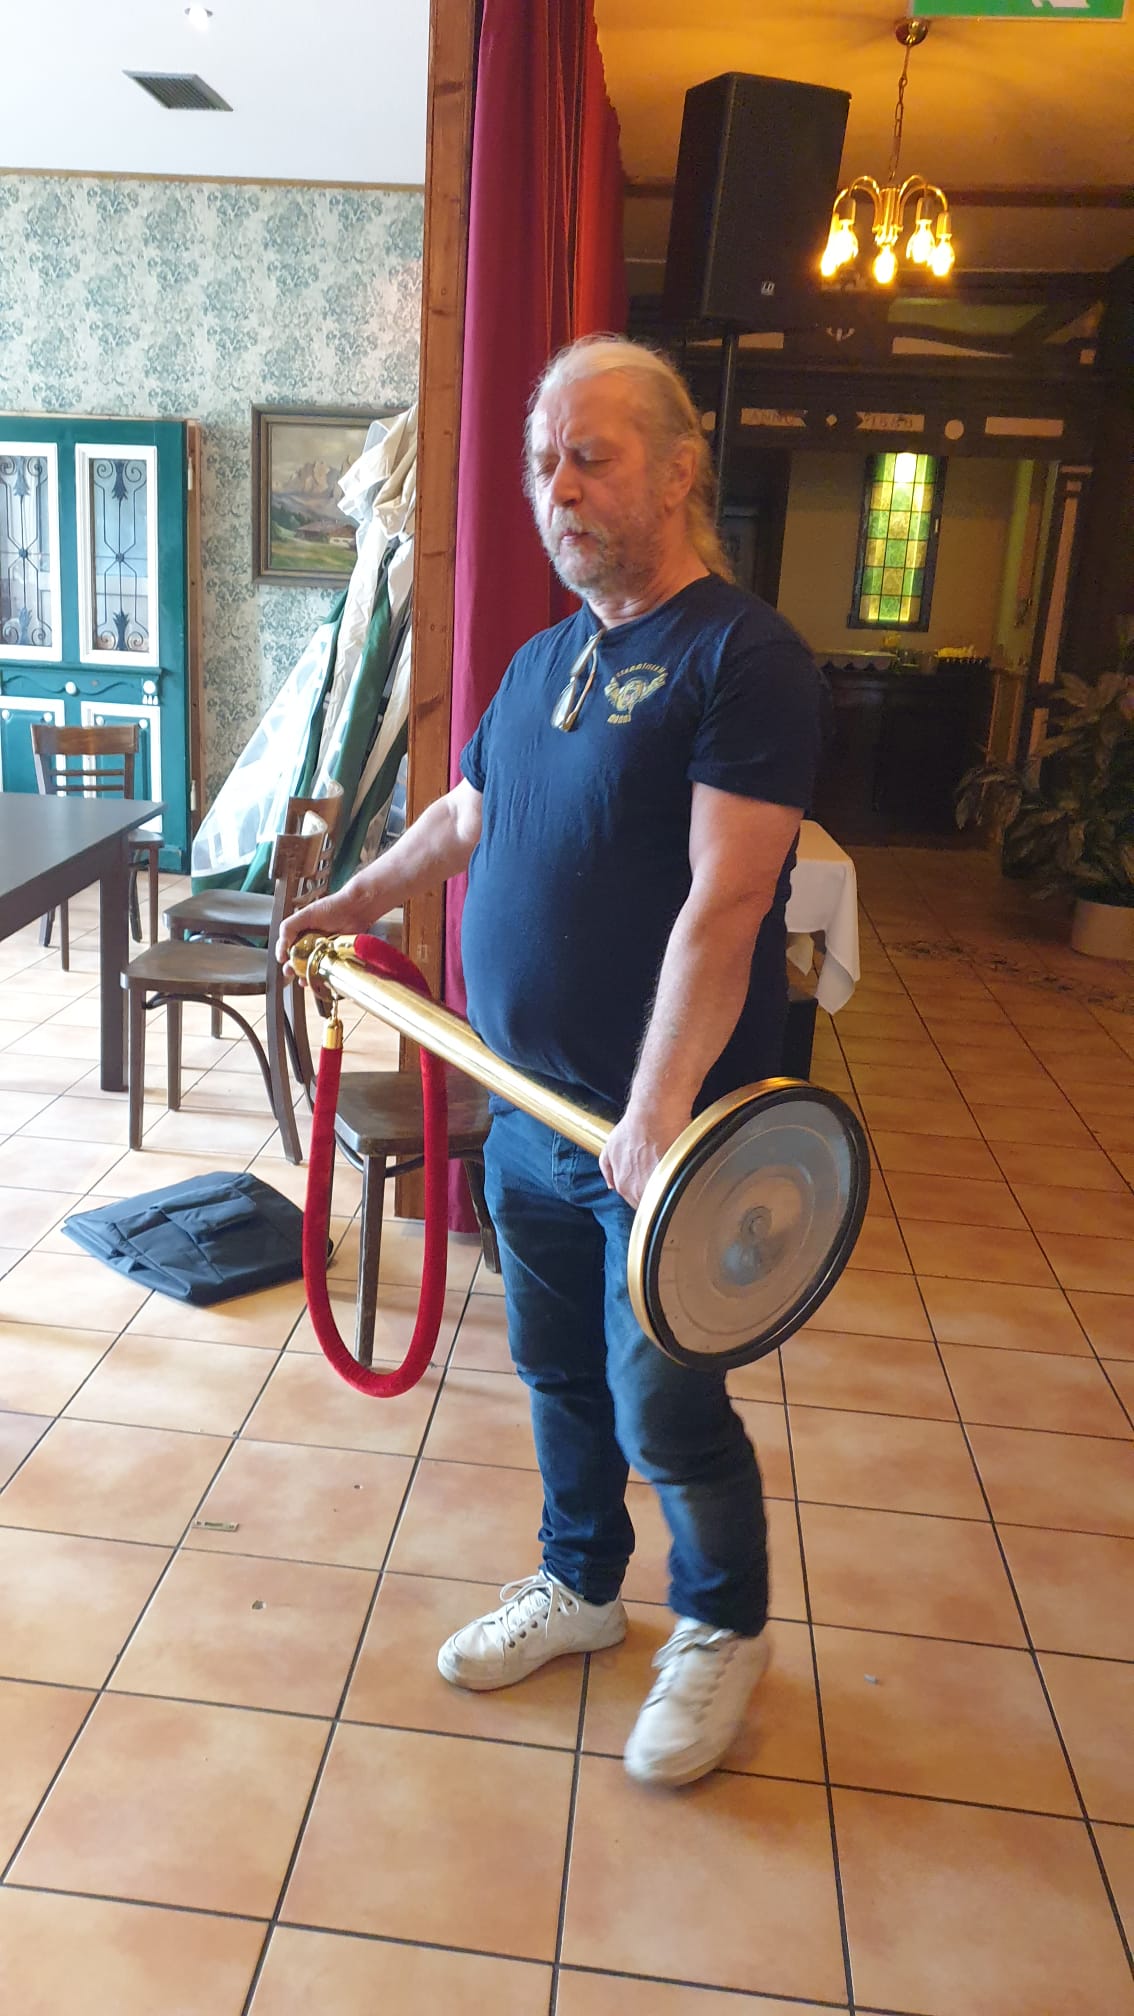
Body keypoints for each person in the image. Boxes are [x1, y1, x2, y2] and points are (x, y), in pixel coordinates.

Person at [280, 334, 822, 1786]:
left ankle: (723, 1622)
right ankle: (582, 1585)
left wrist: (652, 1114)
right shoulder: (540, 660)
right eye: (541, 464)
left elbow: (725, 902)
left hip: (663, 1139)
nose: (557, 489)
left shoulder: (741, 659)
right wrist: (353, 900)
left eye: (591, 456)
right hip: (524, 1113)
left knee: (665, 1404)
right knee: (555, 1371)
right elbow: (464, 819)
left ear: (679, 470)